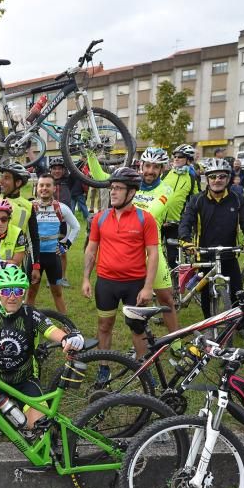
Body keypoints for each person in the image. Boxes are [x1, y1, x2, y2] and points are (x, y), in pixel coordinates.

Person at [0, 265, 83, 433]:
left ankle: (10, 413)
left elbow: (51, 330)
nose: (11, 297)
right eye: (6, 292)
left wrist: (66, 338)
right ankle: (1, 410)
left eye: (17, 291)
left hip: (25, 381)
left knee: (39, 427)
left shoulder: (31, 314)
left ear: (24, 293)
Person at [82, 168, 160, 369]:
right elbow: (91, 250)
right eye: (112, 188)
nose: (113, 192)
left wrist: (148, 287)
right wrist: (85, 279)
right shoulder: (100, 217)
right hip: (106, 283)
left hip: (135, 284)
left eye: (118, 188)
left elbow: (153, 254)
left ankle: (142, 370)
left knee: (137, 328)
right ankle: (103, 368)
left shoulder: (145, 218)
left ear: (132, 192)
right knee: (104, 326)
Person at [178, 159, 244, 317]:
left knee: (237, 293)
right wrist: (186, 240)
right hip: (205, 256)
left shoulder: (237, 199)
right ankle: (209, 326)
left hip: (229, 255)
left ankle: (241, 325)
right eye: (213, 177)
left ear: (228, 179)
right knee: (206, 294)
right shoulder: (197, 200)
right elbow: (185, 222)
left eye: (222, 176)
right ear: (207, 179)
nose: (217, 180)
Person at [132, 148, 180, 337]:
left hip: (152, 250)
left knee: (166, 299)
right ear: (141, 166)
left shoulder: (166, 189)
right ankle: (141, 345)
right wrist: (91, 154)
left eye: (156, 167)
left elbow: (151, 213)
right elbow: (100, 177)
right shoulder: (131, 183)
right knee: (136, 303)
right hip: (130, 251)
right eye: (148, 165)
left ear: (162, 170)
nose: (150, 171)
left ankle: (176, 343)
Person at [27, 173, 79, 314]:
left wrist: (65, 245)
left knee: (57, 294)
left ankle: (66, 325)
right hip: (33, 257)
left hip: (52, 257)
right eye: (41, 185)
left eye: (48, 185)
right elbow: (19, 228)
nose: (44, 188)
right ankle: (27, 325)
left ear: (54, 188)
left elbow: (76, 227)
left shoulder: (61, 208)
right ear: (36, 188)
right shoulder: (29, 207)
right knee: (31, 293)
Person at [0, 161, 40, 273]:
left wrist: (36, 266)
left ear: (18, 182)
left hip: (15, 264)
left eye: (6, 178)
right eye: (1, 177)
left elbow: (33, 239)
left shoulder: (28, 206)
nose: (1, 181)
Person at [161, 145, 200, 267]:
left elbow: (197, 201)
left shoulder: (192, 178)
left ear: (189, 160)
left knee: (173, 257)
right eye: (175, 156)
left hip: (175, 223)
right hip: (158, 220)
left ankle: (174, 282)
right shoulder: (166, 173)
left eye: (180, 157)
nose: (176, 159)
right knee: (151, 252)